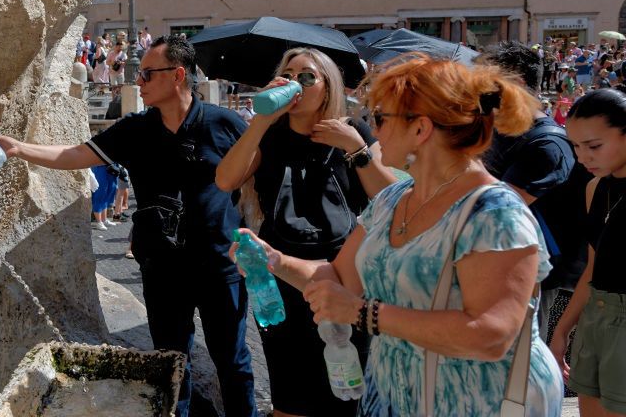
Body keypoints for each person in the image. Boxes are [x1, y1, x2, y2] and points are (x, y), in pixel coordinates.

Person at [232, 55, 563, 416]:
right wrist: (274, 259)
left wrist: (364, 313)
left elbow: (491, 334)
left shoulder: (494, 213)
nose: (373, 130)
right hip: (399, 394)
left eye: (380, 118)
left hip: (475, 401)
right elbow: (341, 277)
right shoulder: (393, 200)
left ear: (420, 129)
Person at [0, 35, 258, 417]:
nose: (139, 82)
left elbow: (256, 169)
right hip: (163, 267)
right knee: (171, 364)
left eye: (148, 74)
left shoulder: (225, 123)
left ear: (178, 75)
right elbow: (76, 154)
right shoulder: (135, 128)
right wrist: (21, 149)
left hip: (221, 264)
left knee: (233, 361)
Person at [216, 47, 395, 416]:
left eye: (306, 76)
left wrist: (356, 149)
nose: (295, 83)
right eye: (288, 75)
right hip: (282, 278)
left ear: (327, 87)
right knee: (290, 394)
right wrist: (262, 120)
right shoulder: (269, 136)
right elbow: (225, 179)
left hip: (347, 276)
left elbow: (392, 198)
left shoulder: (353, 131)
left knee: (348, 391)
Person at [480, 41, 591, 337]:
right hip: (503, 268)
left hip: (539, 280)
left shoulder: (548, 144)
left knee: (527, 364)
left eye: (484, 82)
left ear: (515, 84)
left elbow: (494, 209)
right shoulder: (501, 133)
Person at [551, 89, 626, 417]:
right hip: (595, 319)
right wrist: (562, 329)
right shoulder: (595, 187)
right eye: (576, 146)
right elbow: (594, 268)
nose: (583, 157)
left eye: (594, 146)